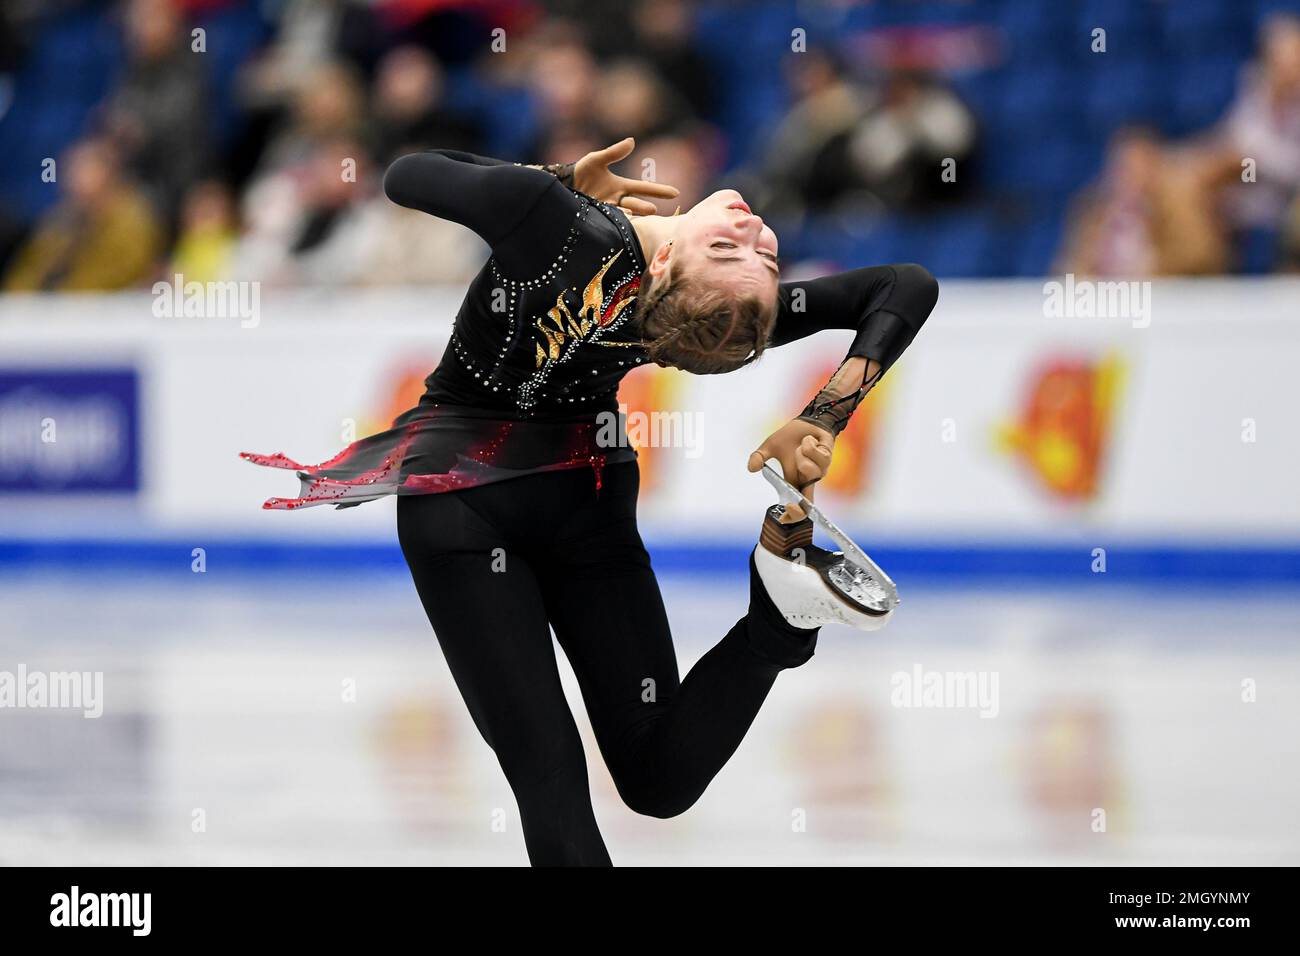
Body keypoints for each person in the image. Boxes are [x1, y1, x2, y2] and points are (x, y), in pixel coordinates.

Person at [243, 138, 937, 865]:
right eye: (751, 256)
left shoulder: (559, 222)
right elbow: (905, 285)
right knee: (567, 787)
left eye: (753, 260)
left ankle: (779, 622)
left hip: (501, 505)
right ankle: (781, 621)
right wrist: (826, 412)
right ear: (662, 271)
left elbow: (407, 174)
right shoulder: (585, 236)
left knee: (650, 778)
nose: (755, 240)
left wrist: (555, 181)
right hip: (546, 504)